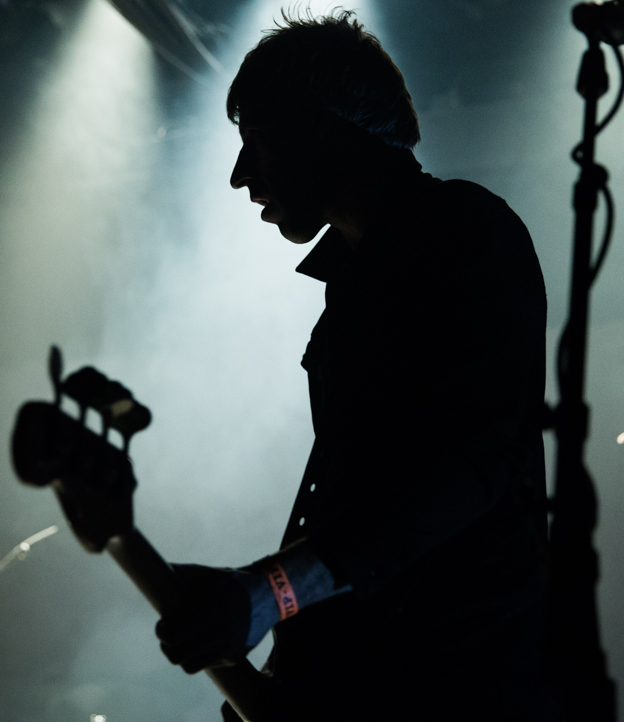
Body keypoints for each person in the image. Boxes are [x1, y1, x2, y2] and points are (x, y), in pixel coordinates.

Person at [154, 10, 552, 720]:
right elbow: (359, 503)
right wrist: (289, 656)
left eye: (258, 143)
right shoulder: (356, 286)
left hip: (458, 687)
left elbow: (466, 469)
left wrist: (267, 592)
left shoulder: (465, 234)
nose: (241, 176)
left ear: (320, 130)